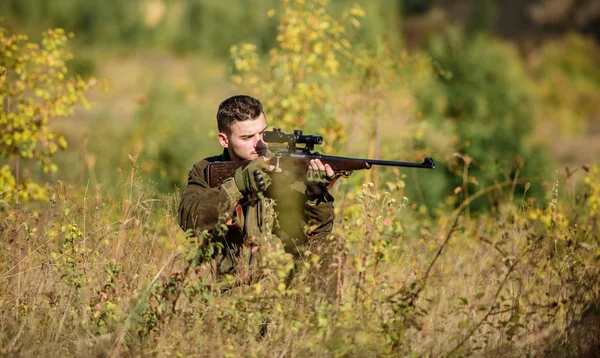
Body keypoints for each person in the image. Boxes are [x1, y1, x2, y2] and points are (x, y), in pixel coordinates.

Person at [178, 95, 336, 290]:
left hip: (282, 284)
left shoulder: (285, 166)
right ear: (224, 140)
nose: (259, 144)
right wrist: (239, 184)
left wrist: (316, 194)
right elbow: (190, 220)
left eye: (263, 133)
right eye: (247, 137)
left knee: (331, 247)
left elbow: (320, 232)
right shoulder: (206, 170)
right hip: (231, 289)